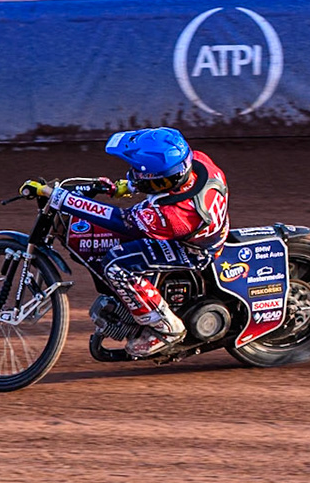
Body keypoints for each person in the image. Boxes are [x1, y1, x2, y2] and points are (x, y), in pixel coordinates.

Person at [31, 128, 229, 359]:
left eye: (139, 173)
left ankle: (165, 328)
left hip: (192, 250)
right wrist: (125, 186)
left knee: (116, 265)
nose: (135, 174)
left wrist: (59, 198)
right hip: (207, 230)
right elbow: (161, 181)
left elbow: (117, 219)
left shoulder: (172, 215)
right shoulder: (199, 161)